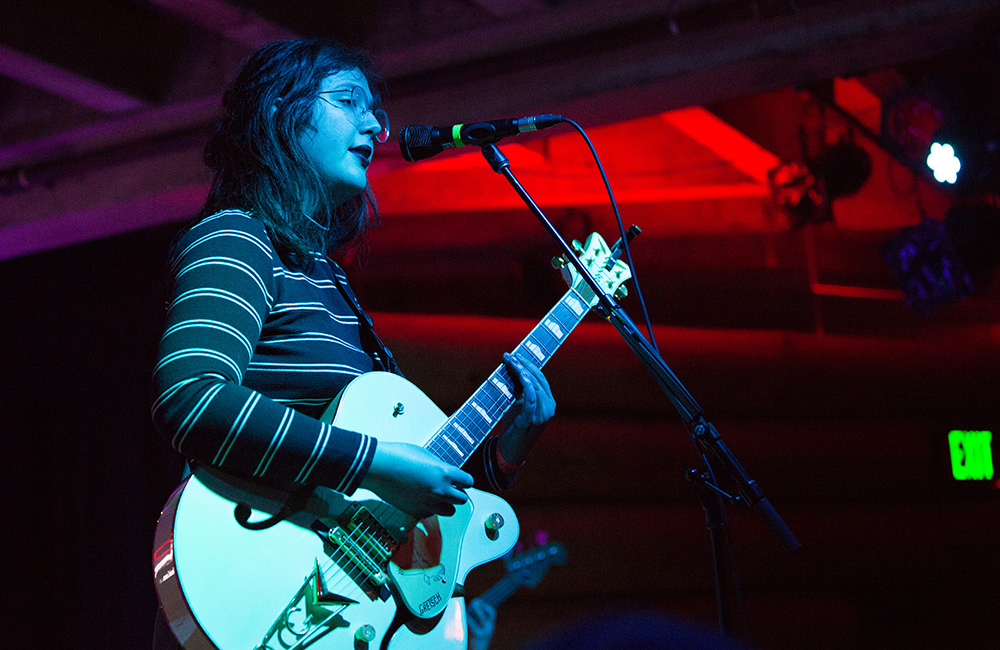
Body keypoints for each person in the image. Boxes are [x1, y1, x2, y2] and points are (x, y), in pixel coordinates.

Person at [150, 38, 556, 649]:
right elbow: (192, 398)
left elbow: (395, 507)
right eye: (348, 101)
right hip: (255, 588)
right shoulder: (237, 238)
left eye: (375, 110)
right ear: (280, 113)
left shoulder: (323, 276)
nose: (373, 124)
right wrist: (377, 461)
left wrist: (505, 455)